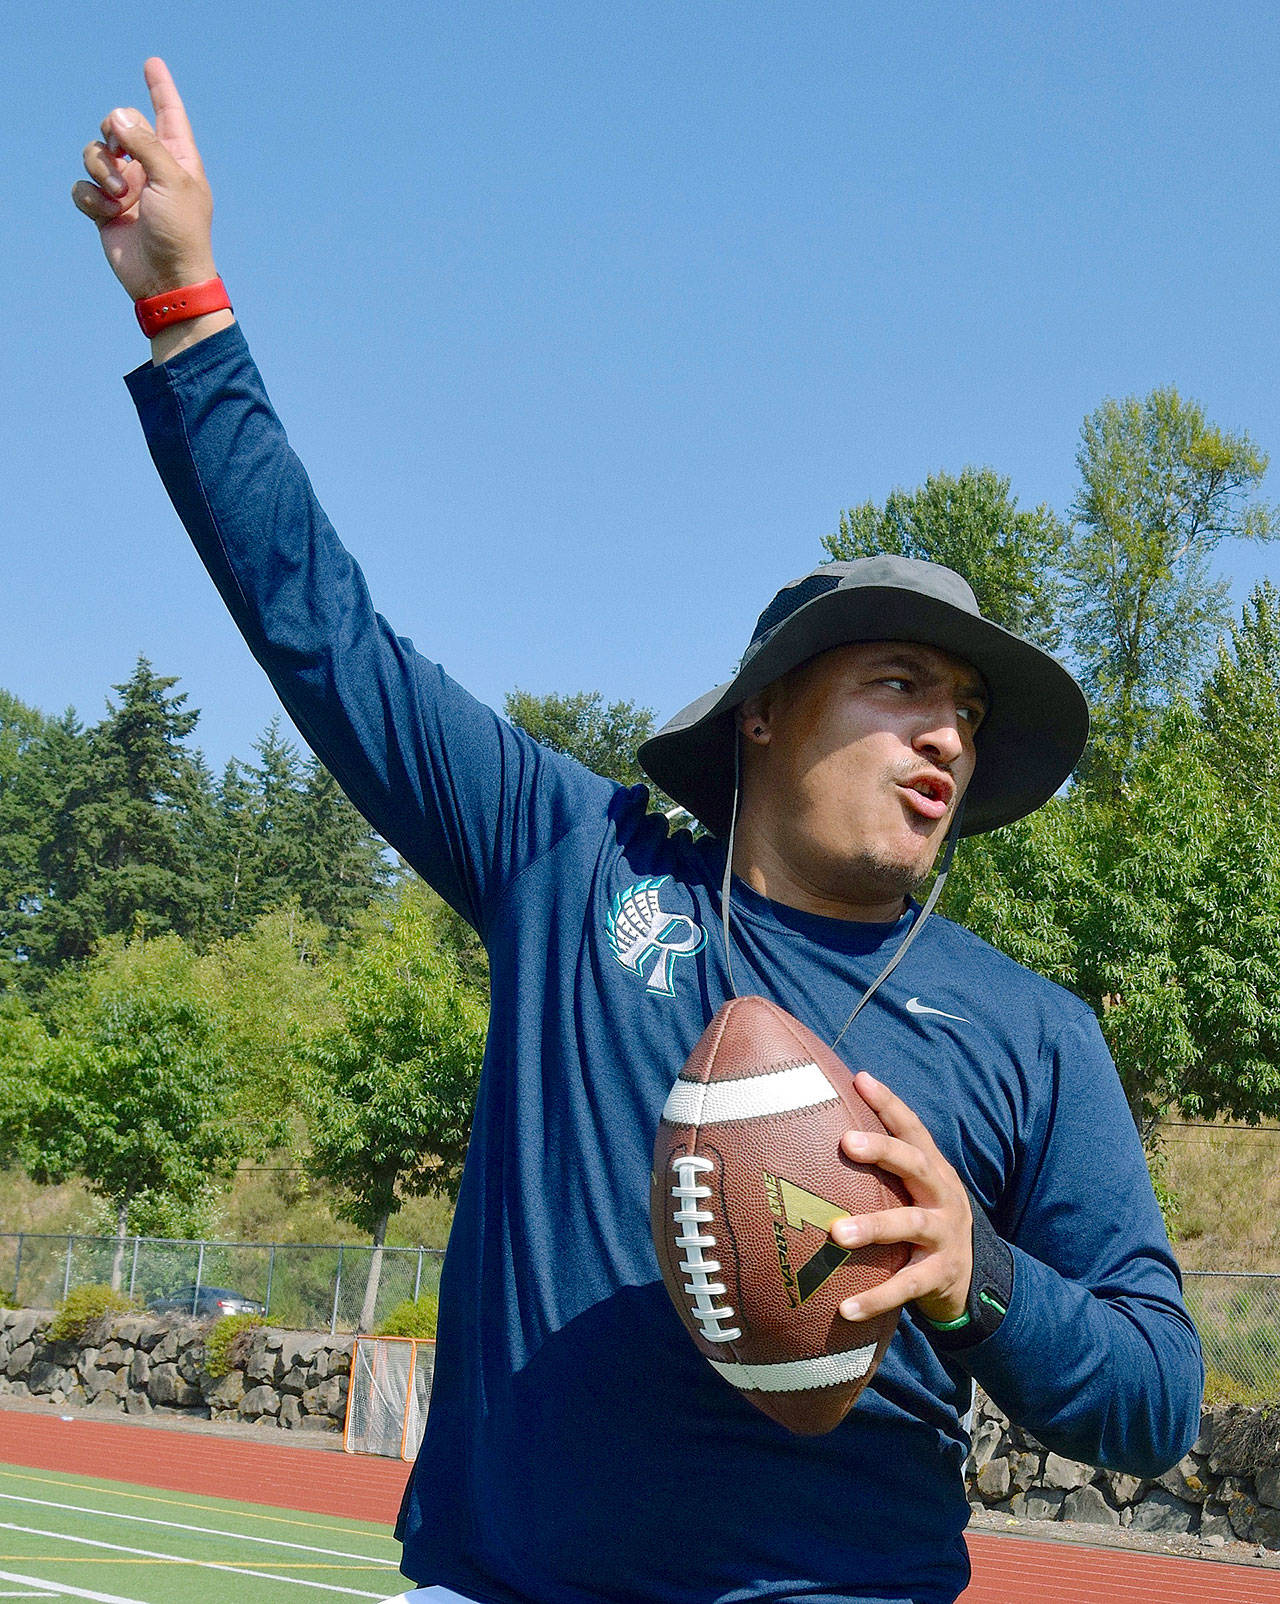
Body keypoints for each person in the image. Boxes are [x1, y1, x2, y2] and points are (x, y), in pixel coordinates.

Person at [74, 60, 1203, 1604]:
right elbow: (324, 634)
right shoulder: (575, 864)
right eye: (899, 683)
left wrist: (979, 1273)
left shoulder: (1033, 1032)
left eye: (967, 714)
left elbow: (1155, 1397)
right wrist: (185, 308)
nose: (946, 732)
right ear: (761, 714)